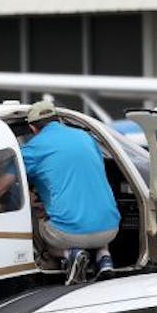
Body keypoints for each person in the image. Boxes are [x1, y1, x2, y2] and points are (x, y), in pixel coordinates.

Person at [19, 100, 120, 281]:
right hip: (110, 230)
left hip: (68, 234)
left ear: (33, 128)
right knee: (93, 215)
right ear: (58, 120)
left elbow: (12, 181)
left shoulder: (33, 149)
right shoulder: (86, 138)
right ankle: (104, 259)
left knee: (37, 219)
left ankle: (69, 254)